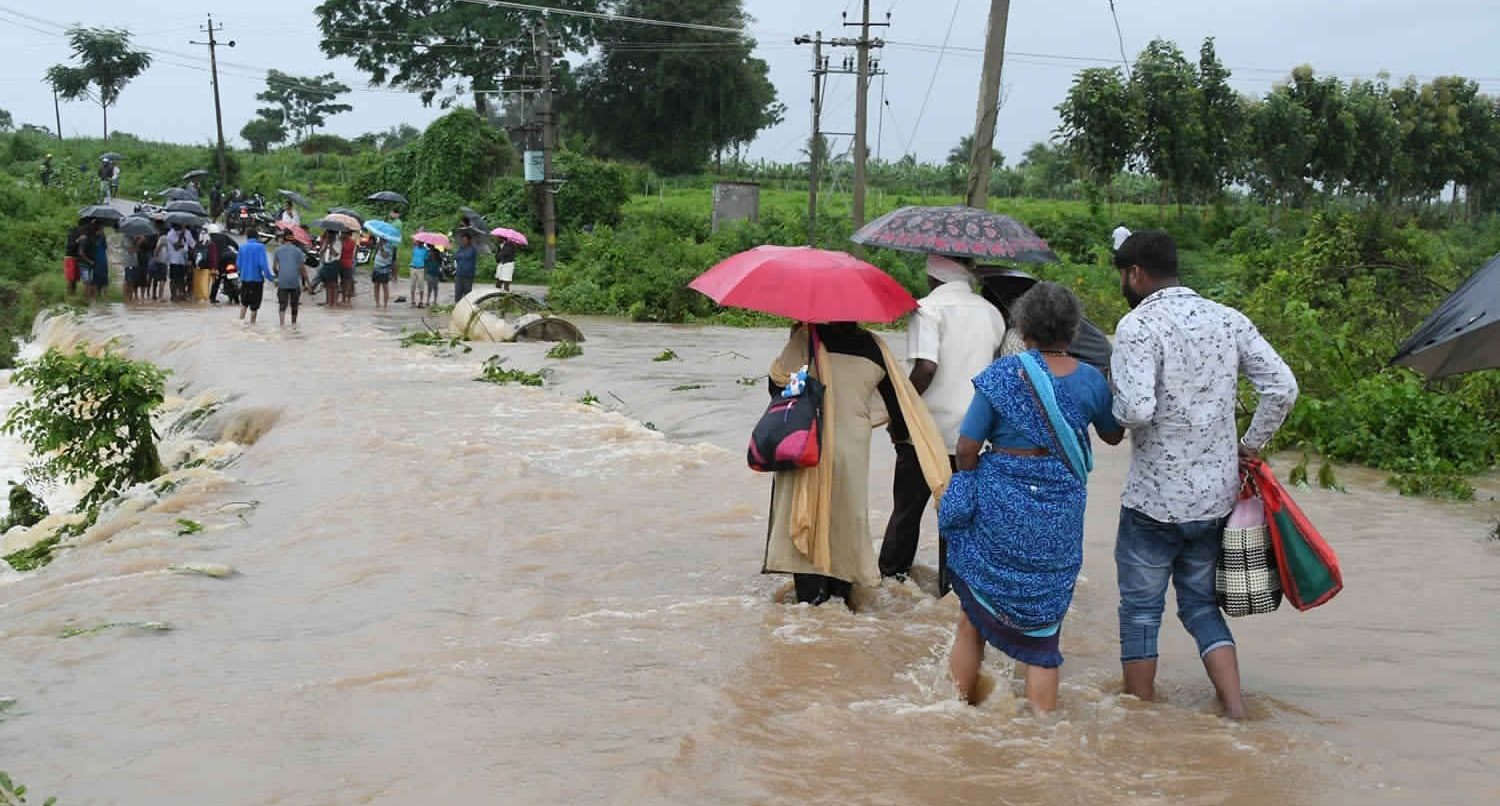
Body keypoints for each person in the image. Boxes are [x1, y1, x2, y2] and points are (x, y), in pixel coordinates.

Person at [1110, 231, 1299, 720]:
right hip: (1215, 499)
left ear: (1136, 274)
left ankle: (1139, 720)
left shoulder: (1137, 326)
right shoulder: (1228, 320)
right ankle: (1236, 710)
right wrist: (1249, 447)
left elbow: (1134, 410)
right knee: (1199, 607)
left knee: (1141, 613)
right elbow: (1282, 388)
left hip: (1152, 501)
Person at [943, 283, 1125, 713]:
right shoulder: (1090, 381)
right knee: (1045, 632)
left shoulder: (1002, 376)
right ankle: (1045, 732)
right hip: (1059, 510)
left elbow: (967, 447)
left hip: (999, 502)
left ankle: (954, 713)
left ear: (1023, 329)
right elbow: (1114, 436)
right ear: (1074, 329)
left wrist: (967, 488)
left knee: (972, 620)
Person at [764, 322, 952, 607]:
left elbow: (778, 389)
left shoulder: (807, 338)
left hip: (806, 442)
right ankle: (841, 601)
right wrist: (897, 435)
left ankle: (811, 605)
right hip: (851, 446)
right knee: (845, 519)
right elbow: (897, 401)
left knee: (805, 514)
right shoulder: (874, 347)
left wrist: (798, 345)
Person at [880, 255, 1009, 589]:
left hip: (927, 434)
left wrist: (900, 414)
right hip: (974, 437)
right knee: (956, 518)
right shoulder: (991, 313)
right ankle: (950, 588)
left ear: (932, 277)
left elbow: (925, 368)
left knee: (906, 513)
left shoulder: (926, 309)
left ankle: (891, 585)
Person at [271, 232, 309, 327]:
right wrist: (308, 283)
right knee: (294, 305)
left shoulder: (277, 250)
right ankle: (294, 325)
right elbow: (302, 269)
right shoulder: (298, 251)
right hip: (294, 282)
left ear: (283, 240)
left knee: (282, 304)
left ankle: (282, 324)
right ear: (294, 240)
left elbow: (274, 267)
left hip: (282, 281)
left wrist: (278, 275)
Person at [237, 227, 270, 325]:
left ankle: (240, 323)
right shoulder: (261, 247)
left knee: (244, 303)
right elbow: (263, 265)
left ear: (247, 237)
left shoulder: (242, 247)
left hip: (244, 280)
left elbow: (238, 265)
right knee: (254, 306)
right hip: (257, 281)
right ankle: (252, 326)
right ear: (257, 236)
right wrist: (271, 278)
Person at [165, 223, 196, 302]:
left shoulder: (187, 232)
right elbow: (176, 246)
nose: (183, 227)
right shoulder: (170, 234)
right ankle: (173, 295)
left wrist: (191, 258)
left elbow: (192, 244)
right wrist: (181, 236)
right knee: (174, 279)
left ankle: (182, 295)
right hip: (174, 260)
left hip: (183, 260)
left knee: (182, 279)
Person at [371, 236, 396, 309]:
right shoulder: (379, 244)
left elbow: (385, 256)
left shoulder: (390, 246)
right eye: (380, 237)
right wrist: (378, 246)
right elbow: (376, 255)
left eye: (382, 237)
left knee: (385, 286)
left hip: (384, 268)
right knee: (376, 285)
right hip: (376, 267)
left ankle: (385, 304)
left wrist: (381, 246)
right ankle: (377, 303)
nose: (381, 238)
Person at [454, 232, 478, 302]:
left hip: (468, 275)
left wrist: (460, 255)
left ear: (469, 240)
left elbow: (466, 255)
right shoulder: (460, 248)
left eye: (465, 240)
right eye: (462, 240)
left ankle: (466, 308)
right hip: (459, 273)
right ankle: (457, 306)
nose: (463, 241)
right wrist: (460, 254)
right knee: (458, 292)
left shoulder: (472, 249)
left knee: (467, 293)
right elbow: (456, 257)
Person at [63, 218, 82, 295]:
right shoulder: (72, 232)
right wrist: (78, 240)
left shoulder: (81, 232)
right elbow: (70, 245)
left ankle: (73, 294)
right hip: (70, 257)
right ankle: (69, 294)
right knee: (70, 278)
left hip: (76, 257)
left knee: (75, 278)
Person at [408, 241, 430, 307]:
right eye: (418, 241)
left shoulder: (425, 250)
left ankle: (421, 301)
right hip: (413, 268)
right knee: (412, 285)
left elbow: (426, 260)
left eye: (421, 242)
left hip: (421, 268)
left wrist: (425, 272)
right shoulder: (414, 248)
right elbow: (413, 242)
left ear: (423, 242)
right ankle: (413, 301)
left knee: (421, 286)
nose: (419, 242)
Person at [338, 230, 357, 307]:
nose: (342, 234)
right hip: (340, 263)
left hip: (348, 264)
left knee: (348, 283)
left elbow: (346, 250)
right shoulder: (341, 240)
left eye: (343, 233)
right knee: (342, 282)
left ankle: (348, 300)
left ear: (347, 234)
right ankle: (343, 299)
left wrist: (341, 242)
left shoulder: (351, 242)